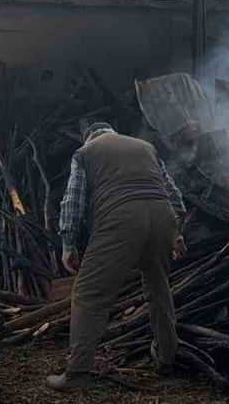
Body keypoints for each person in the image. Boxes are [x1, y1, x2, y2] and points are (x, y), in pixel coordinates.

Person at [46, 122, 187, 391]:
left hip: (121, 218)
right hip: (162, 218)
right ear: (113, 132)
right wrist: (177, 232)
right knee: (159, 289)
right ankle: (167, 360)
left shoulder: (86, 152)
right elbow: (173, 193)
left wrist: (68, 243)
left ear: (91, 136)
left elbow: (72, 200)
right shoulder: (146, 147)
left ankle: (77, 374)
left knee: (89, 295)